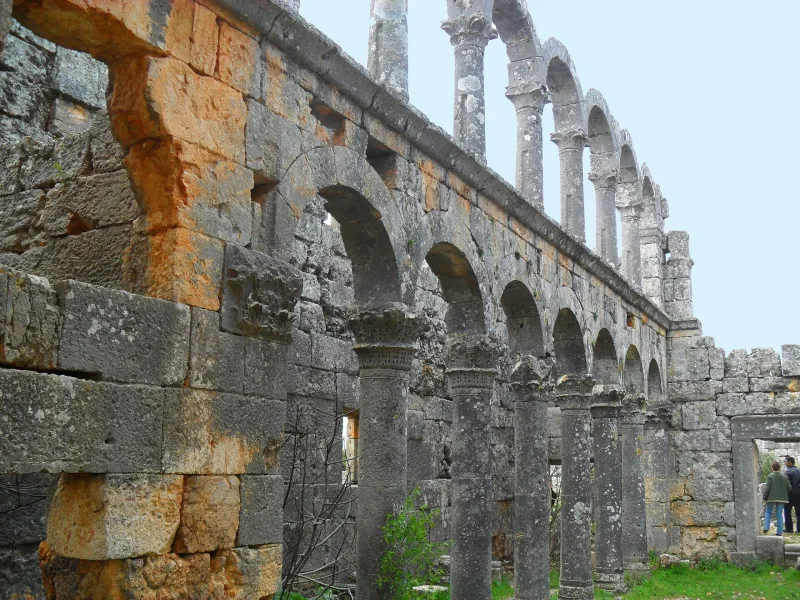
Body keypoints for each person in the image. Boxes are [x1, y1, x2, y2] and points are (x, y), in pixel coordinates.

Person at [763, 461, 792, 536]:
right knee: (779, 514)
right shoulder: (784, 477)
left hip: (771, 497)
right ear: (779, 468)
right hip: (782, 498)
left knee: (768, 512)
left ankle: (766, 527)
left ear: (772, 468)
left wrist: (764, 497)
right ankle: (779, 532)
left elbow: (767, 488)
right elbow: (789, 488)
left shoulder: (770, 476)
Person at [783, 456, 800, 533]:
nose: (784, 463)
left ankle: (789, 528)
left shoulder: (787, 472)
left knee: (787, 511)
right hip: (798, 493)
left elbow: (786, 484)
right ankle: (799, 529)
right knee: (798, 511)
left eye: (785, 461)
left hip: (790, 494)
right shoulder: (798, 471)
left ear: (790, 462)